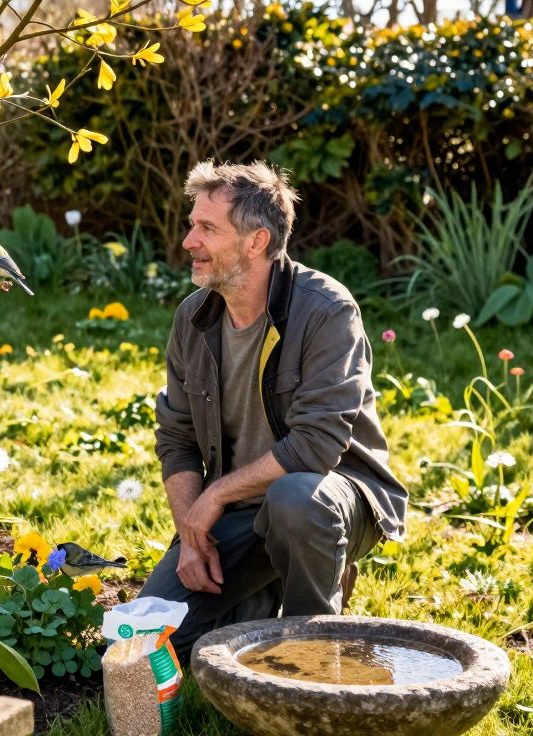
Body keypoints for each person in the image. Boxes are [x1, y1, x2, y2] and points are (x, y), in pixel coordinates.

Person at [136, 160, 408, 658]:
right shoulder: (192, 319)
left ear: (256, 242)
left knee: (296, 500)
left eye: (206, 228)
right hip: (242, 508)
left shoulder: (327, 310)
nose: (187, 241)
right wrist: (191, 535)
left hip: (331, 496)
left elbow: (316, 446)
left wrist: (214, 495)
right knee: (156, 640)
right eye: (192, 225)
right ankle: (269, 581)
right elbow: (176, 438)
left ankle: (314, 649)